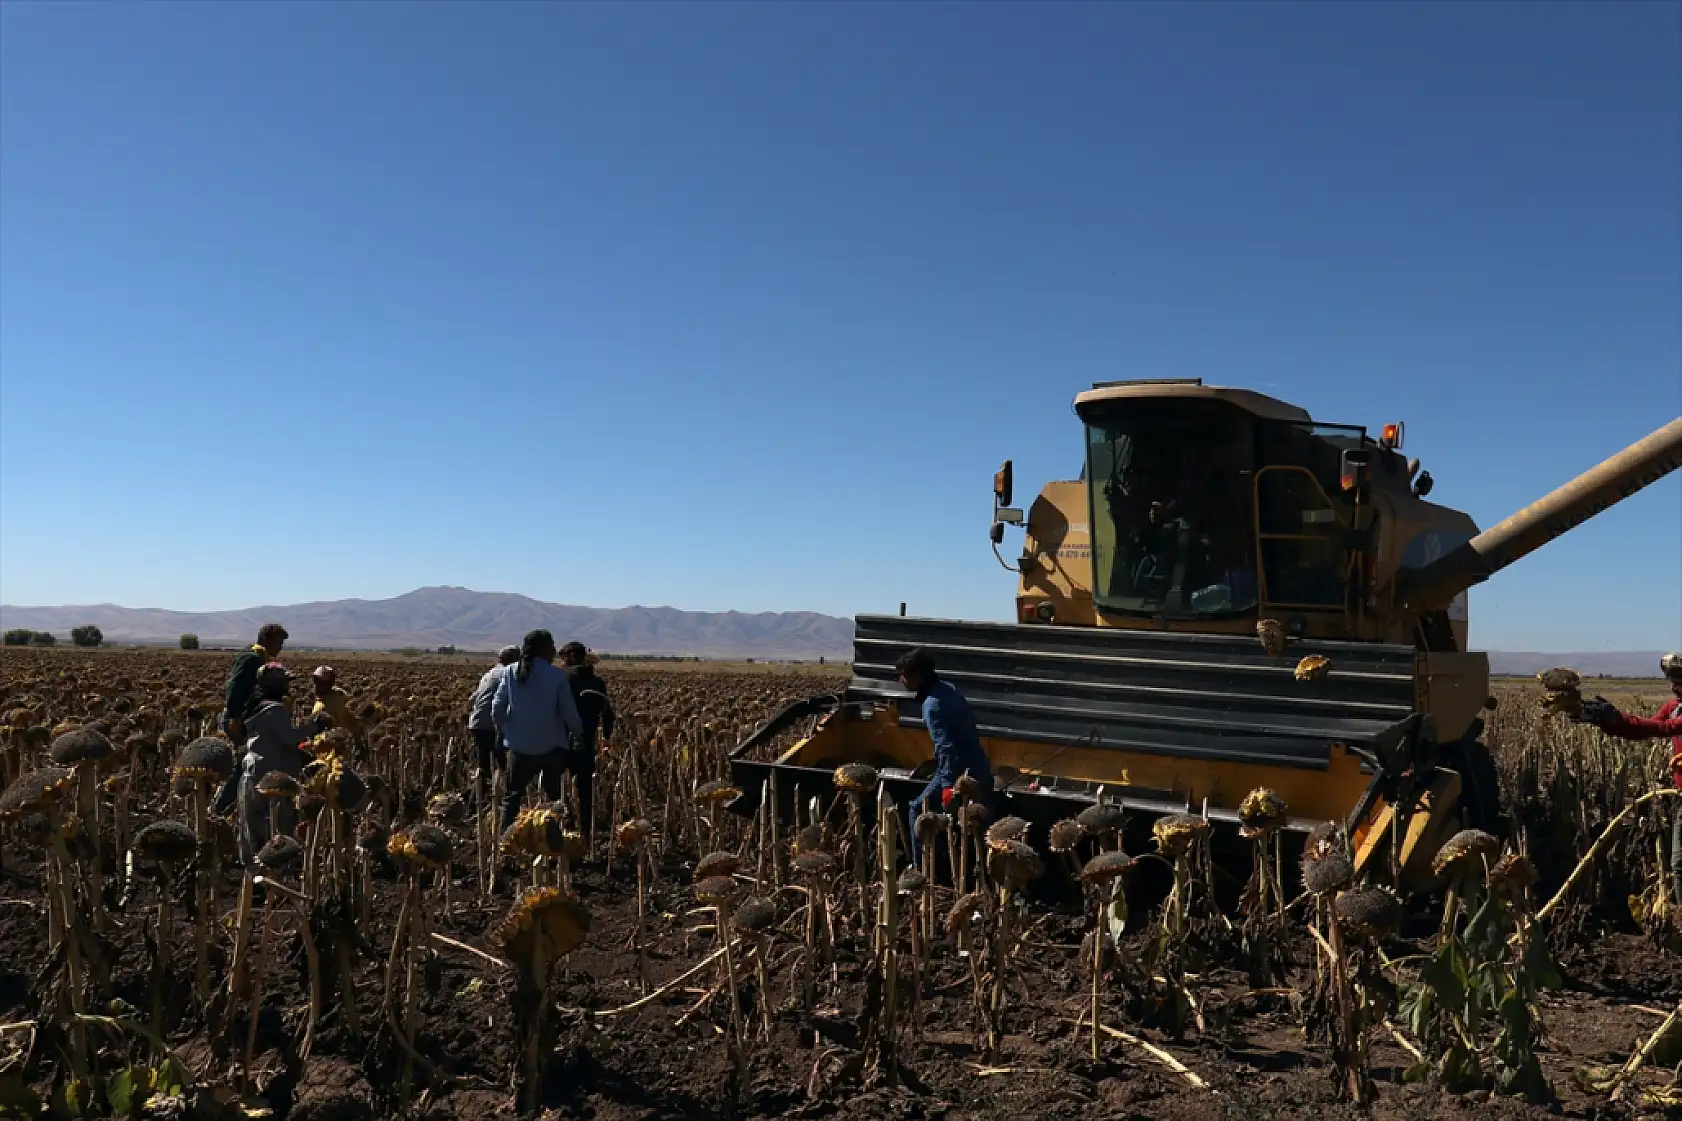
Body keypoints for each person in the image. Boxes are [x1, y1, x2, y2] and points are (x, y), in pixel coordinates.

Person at [1578, 652, 1682, 904]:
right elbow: (1645, 728)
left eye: (1679, 681)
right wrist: (1608, 721)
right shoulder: (1674, 707)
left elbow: (1666, 728)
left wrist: (1617, 718)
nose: (1673, 687)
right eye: (1672, 681)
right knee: (1679, 864)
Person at [898, 647, 994, 866]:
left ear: (918, 676)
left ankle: (921, 869)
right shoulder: (947, 689)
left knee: (917, 809)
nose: (900, 680)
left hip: (959, 771)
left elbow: (946, 748)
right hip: (979, 766)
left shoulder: (932, 705)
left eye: (903, 675)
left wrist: (948, 786)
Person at [237, 662, 329, 864]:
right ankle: (275, 865)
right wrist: (314, 726)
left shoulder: (254, 707)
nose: (288, 686)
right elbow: (288, 737)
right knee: (278, 823)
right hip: (272, 773)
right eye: (284, 682)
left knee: (252, 821)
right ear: (274, 685)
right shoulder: (274, 709)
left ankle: (252, 866)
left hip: (252, 768)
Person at [492, 629, 583, 831]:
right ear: (544, 650)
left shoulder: (510, 672)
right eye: (552, 647)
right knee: (555, 799)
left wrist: (502, 731)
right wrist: (578, 734)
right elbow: (569, 712)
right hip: (552, 746)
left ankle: (505, 839)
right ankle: (558, 839)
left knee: (513, 796)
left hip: (519, 745)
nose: (554, 651)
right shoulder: (557, 676)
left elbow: (497, 707)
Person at [215, 623, 289, 815]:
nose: (280, 647)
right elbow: (235, 687)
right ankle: (221, 810)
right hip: (238, 718)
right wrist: (234, 717)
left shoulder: (258, 658)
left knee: (246, 763)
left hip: (245, 717)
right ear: (266, 640)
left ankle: (233, 807)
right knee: (244, 764)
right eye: (278, 642)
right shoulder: (252, 659)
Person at [560, 641, 615, 835]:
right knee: (585, 787)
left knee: (557, 785)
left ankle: (561, 827)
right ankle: (585, 831)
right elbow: (607, 712)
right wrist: (606, 737)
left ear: (570, 657)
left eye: (563, 658)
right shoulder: (596, 682)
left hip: (560, 740)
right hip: (586, 741)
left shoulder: (560, 678)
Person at [468, 645, 521, 806]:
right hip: (493, 725)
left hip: (477, 723)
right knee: (503, 766)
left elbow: (472, 699)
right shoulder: (510, 673)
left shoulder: (489, 674)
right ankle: (494, 802)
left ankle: (478, 802)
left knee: (485, 765)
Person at [308, 666, 364, 751]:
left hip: (326, 751)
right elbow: (353, 723)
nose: (316, 685)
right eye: (315, 681)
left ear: (328, 684)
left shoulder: (322, 706)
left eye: (320, 682)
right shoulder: (338, 699)